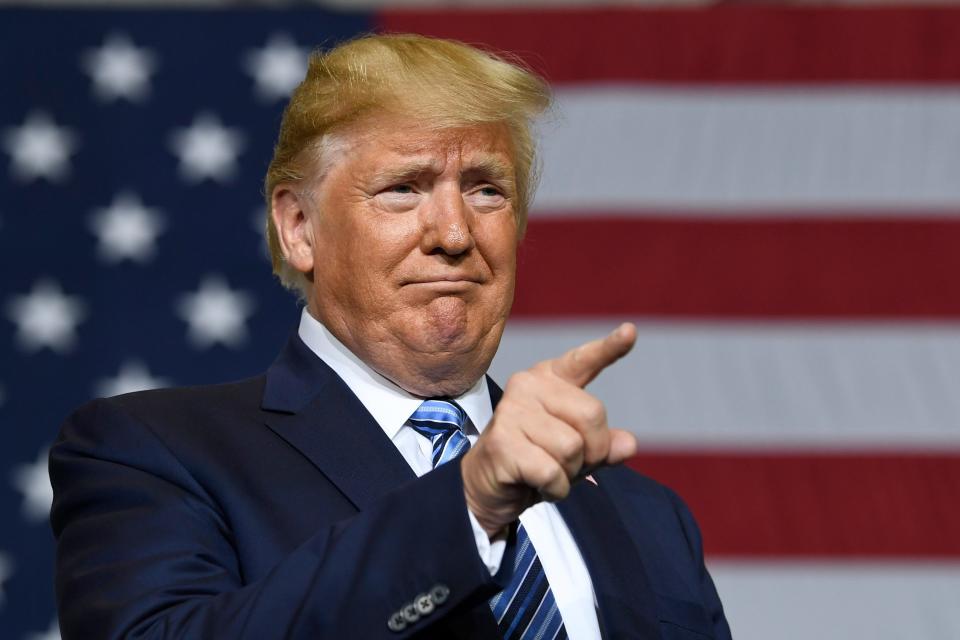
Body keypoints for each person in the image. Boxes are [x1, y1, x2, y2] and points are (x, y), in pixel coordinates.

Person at [50, 34, 731, 639]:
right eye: (404, 188)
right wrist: (465, 505)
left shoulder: (648, 516)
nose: (456, 234)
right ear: (299, 228)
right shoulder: (151, 454)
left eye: (487, 190)